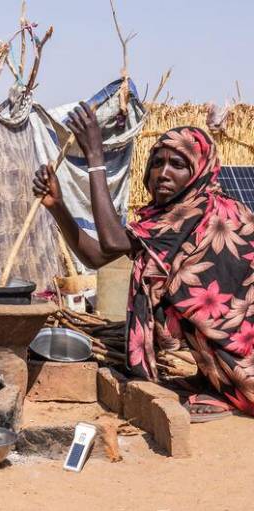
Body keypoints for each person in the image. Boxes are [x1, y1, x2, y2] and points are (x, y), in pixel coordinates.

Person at [33, 102, 254, 422]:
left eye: (178, 164)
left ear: (198, 170)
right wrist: (57, 207)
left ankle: (226, 388)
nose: (163, 172)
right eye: (158, 162)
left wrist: (96, 158)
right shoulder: (173, 218)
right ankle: (214, 379)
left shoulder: (198, 212)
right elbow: (97, 256)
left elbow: (109, 242)